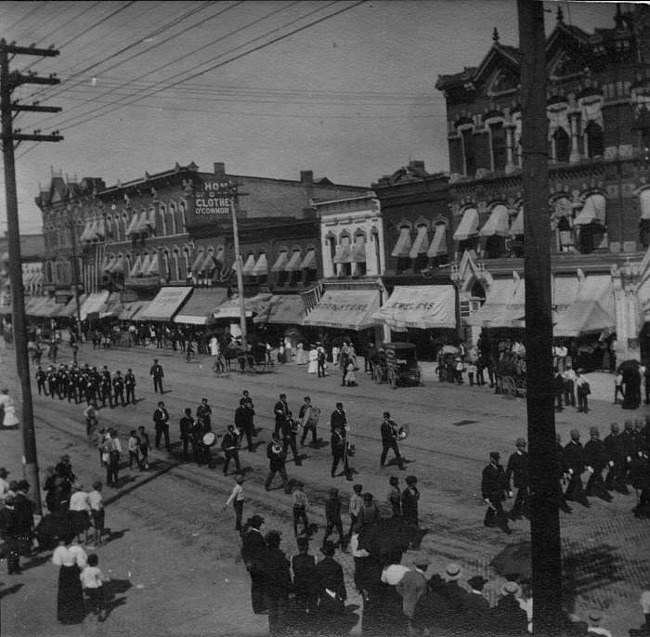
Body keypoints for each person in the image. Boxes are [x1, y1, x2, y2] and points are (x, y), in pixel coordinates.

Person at [262, 530, 293, 637]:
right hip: (280, 589)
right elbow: (285, 572)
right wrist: (290, 587)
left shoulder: (264, 555)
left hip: (269, 589)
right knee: (282, 613)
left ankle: (273, 633)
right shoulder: (279, 554)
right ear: (275, 542)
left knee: (272, 613)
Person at [52, 535, 88, 625]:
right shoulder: (77, 549)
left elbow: (56, 562)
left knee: (64, 592)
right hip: (74, 570)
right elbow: (82, 562)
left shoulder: (59, 549)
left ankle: (64, 616)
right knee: (75, 591)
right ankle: (76, 616)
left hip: (64, 570)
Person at [397, 551, 430, 637]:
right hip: (414, 611)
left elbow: (398, 587)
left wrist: (404, 595)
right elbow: (422, 599)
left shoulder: (407, 574)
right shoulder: (422, 581)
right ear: (425, 567)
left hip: (402, 606)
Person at [241, 515, 267, 615]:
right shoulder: (257, 536)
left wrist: (248, 562)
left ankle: (259, 607)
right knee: (259, 586)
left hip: (253, 566)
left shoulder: (249, 535)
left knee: (257, 586)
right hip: (258, 566)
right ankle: (260, 608)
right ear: (259, 525)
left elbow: (244, 550)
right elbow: (262, 552)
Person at [481, 451, 511, 534]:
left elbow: (505, 480)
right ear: (491, 459)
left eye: (498, 459)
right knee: (498, 508)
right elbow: (484, 484)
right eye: (495, 459)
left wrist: (509, 490)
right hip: (492, 493)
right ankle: (504, 527)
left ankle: (488, 521)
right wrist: (485, 496)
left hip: (499, 492)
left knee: (493, 507)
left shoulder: (500, 468)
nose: (497, 461)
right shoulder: (487, 470)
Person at [316, 540, 347, 616]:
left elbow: (317, 584)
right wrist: (343, 597)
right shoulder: (337, 566)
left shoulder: (319, 566)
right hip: (334, 599)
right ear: (333, 552)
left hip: (324, 599)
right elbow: (340, 584)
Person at [584, 426, 613, 502]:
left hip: (600, 464)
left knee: (593, 478)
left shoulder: (600, 442)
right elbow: (586, 457)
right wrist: (588, 466)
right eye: (593, 435)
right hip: (593, 466)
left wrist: (609, 460)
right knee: (600, 480)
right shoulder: (588, 445)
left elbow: (605, 453)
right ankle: (607, 496)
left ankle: (587, 491)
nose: (594, 436)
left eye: (596, 434)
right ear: (591, 435)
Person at [563, 429, 590, 507]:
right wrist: (569, 468)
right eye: (576, 437)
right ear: (573, 437)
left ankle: (568, 495)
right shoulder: (568, 447)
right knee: (579, 484)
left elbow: (583, 456)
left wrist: (586, 465)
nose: (577, 438)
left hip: (579, 469)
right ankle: (584, 501)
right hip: (573, 470)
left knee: (573, 483)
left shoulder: (580, 445)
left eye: (578, 437)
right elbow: (565, 459)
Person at [80, 553, 110, 622]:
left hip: (88, 588)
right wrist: (107, 579)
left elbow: (81, 578)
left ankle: (94, 610)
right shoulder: (97, 570)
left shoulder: (85, 570)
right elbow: (102, 577)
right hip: (97, 588)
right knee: (101, 600)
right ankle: (101, 613)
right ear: (96, 562)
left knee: (92, 599)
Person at [292, 537, 319, 613]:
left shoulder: (293, 558)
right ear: (308, 547)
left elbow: (294, 572)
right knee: (312, 605)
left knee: (300, 605)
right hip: (310, 585)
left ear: (298, 547)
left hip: (299, 585)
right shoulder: (314, 558)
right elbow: (316, 573)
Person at [505, 438, 530, 520]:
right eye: (522, 446)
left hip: (526, 479)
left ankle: (514, 512)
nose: (523, 447)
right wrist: (508, 487)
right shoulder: (513, 457)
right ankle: (529, 513)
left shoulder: (526, 455)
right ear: (518, 447)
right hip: (519, 480)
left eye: (524, 446)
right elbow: (509, 471)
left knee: (520, 497)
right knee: (526, 497)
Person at [88, 481, 105, 546]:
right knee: (100, 527)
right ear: (99, 487)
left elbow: (88, 501)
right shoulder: (99, 495)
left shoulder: (90, 494)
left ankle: (95, 541)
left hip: (93, 511)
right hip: (99, 511)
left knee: (95, 526)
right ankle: (99, 541)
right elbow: (101, 505)